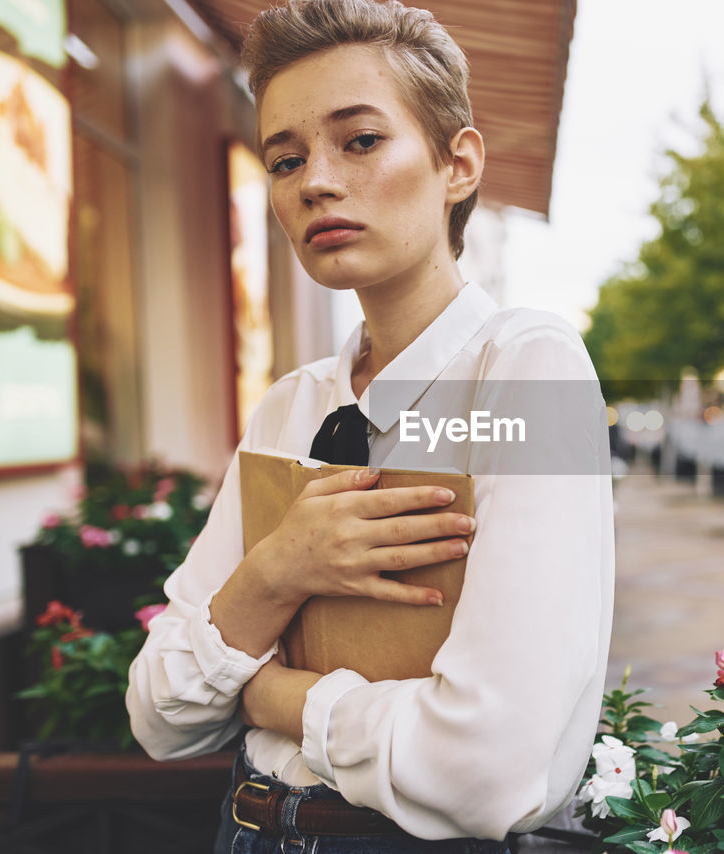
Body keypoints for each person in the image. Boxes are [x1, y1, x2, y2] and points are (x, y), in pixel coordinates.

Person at [123, 1, 615, 852]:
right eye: (284, 159)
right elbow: (159, 714)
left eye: (360, 141)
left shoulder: (522, 368)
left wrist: (270, 694)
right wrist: (279, 569)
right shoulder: (290, 405)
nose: (315, 180)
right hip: (243, 830)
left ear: (456, 162)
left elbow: (490, 767)